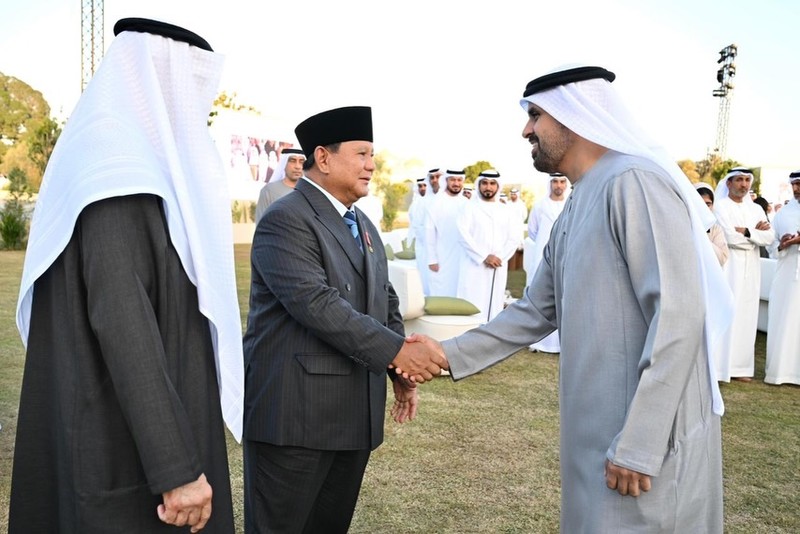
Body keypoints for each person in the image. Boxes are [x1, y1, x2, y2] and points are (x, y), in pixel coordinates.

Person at [399, 64, 733, 532]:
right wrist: (445, 354)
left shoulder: (634, 182)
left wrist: (641, 442)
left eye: (535, 116)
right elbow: (537, 310)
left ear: (572, 116)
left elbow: (678, 315)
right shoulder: (580, 199)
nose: (525, 130)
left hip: (645, 437)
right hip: (596, 428)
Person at [10, 18, 243, 533]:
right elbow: (124, 324)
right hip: (119, 452)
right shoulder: (117, 172)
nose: (196, 110)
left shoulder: (125, 163)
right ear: (160, 77)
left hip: (130, 432)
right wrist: (176, 468)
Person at [242, 105, 445, 533]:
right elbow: (318, 304)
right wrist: (398, 353)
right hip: (296, 421)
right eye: (362, 154)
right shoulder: (287, 219)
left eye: (373, 156)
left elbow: (384, 299)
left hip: (352, 417)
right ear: (323, 156)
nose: (372, 166)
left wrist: (399, 372)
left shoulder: (364, 223)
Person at [713, 167, 774, 382]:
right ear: (729, 183)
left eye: (747, 180)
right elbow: (729, 237)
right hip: (730, 267)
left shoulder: (756, 209)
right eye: (739, 180)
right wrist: (755, 235)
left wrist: (747, 232)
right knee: (730, 310)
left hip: (752, 268)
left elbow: (770, 237)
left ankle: (741, 368)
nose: (743, 185)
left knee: (747, 314)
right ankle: (722, 367)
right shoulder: (721, 206)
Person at [456, 169, 520, 322]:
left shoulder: (507, 211)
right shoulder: (468, 208)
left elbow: (514, 238)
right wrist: (484, 257)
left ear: (498, 187)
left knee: (494, 304)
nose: (488, 187)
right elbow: (463, 235)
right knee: (471, 300)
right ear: (479, 185)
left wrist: (499, 258)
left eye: (492, 184)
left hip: (497, 265)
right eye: (484, 183)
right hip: (473, 265)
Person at [525, 172, 569, 353]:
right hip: (542, 256)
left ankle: (559, 345)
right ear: (550, 184)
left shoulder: (570, 203)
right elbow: (533, 231)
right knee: (541, 295)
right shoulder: (540, 205)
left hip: (566, 255)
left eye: (561, 182)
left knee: (562, 297)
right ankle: (539, 342)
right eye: (555, 182)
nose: (558, 185)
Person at [765, 170, 800, 385]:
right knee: (784, 319)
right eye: (794, 184)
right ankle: (781, 373)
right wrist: (784, 242)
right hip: (787, 273)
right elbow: (771, 245)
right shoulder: (783, 213)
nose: (796, 189)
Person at [425, 168, 468, 297]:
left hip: (464, 257)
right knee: (441, 290)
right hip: (442, 257)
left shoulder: (467, 203)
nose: (456, 183)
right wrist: (432, 259)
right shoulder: (436, 202)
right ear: (446, 181)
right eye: (453, 180)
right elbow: (429, 232)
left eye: (459, 180)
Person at [255, 147, 305, 222]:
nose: (297, 166)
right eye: (292, 161)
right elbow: (260, 223)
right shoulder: (269, 190)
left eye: (301, 162)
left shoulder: (310, 192)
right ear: (284, 164)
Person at [695, 182, 730, 266]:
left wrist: (701, 236)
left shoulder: (715, 229)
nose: (704, 208)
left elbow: (722, 258)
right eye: (700, 203)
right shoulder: (684, 225)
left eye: (708, 204)